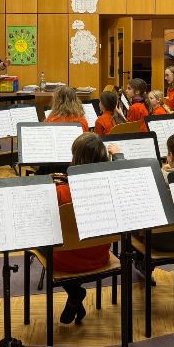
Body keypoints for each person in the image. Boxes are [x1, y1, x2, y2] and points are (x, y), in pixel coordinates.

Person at [53, 133, 120, 323]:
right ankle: (76, 298)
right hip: (100, 256)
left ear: (76, 159)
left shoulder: (61, 191)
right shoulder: (113, 188)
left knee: (43, 244)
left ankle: (75, 292)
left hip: (65, 262)